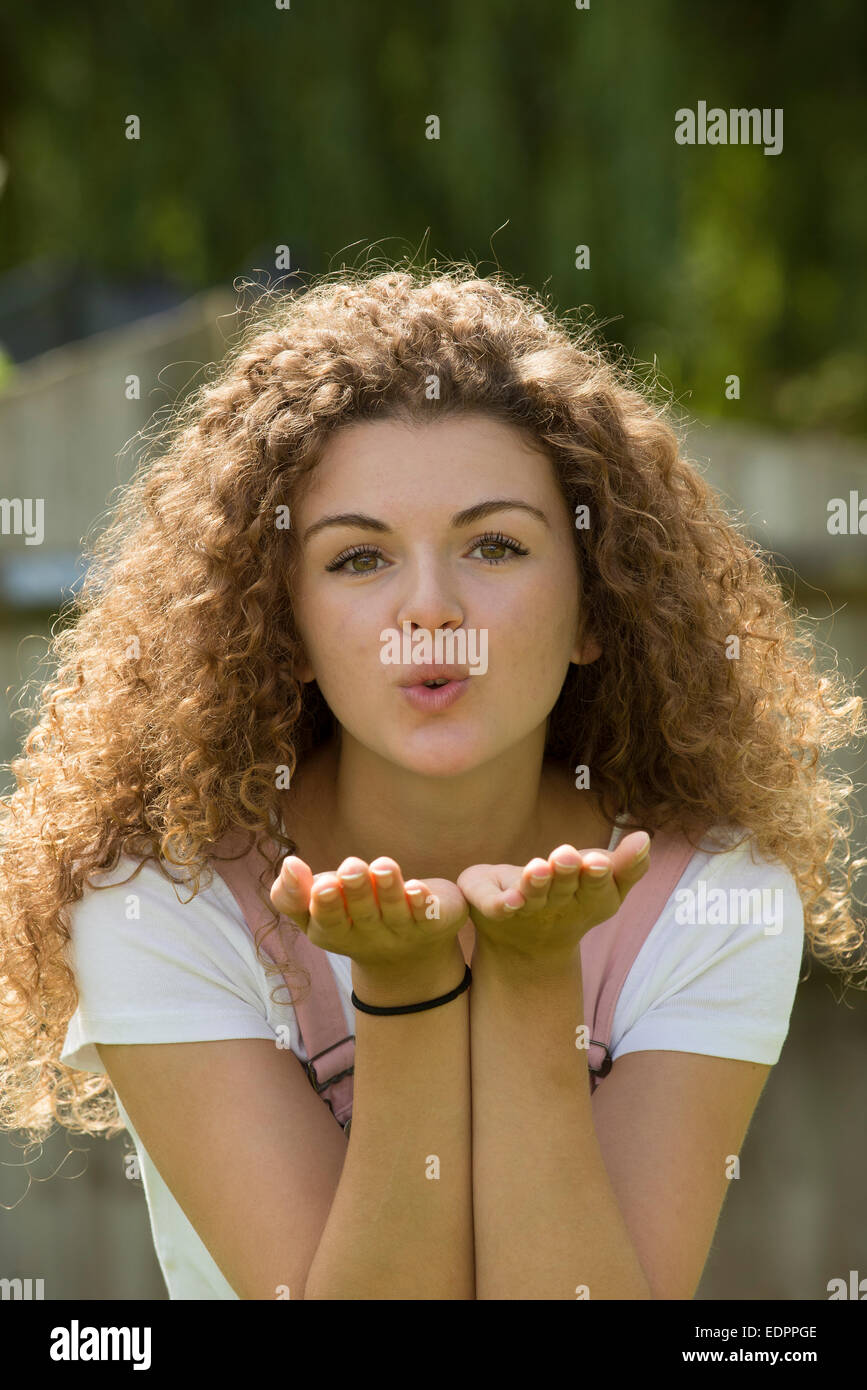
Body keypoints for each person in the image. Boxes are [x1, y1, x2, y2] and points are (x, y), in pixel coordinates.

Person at [1, 260, 863, 1300]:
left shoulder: (715, 895)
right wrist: (404, 987)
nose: (430, 609)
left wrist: (534, 976)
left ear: (598, 608)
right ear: (291, 630)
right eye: (358, 560)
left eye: (494, 545)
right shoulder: (158, 894)